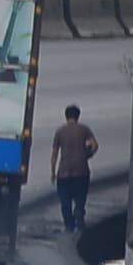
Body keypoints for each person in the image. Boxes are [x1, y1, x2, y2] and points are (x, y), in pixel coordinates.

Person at [50, 104, 100, 250]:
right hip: (81, 171)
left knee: (65, 201)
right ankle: (79, 211)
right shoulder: (84, 129)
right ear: (78, 116)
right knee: (80, 196)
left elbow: (54, 154)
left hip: (64, 172)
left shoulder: (60, 131)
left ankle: (69, 224)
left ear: (66, 116)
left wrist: (53, 172)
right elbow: (95, 145)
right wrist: (87, 155)